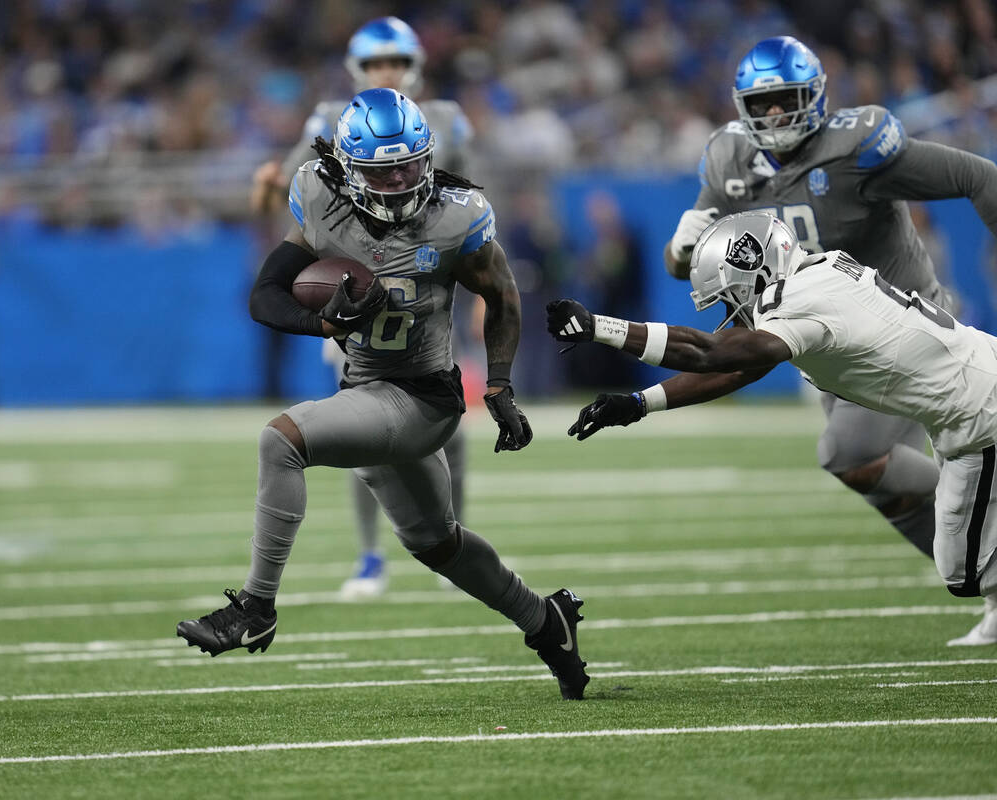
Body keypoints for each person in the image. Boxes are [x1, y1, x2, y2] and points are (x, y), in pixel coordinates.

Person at [178, 88, 590, 700]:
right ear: (349, 169)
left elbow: (502, 293)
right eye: (381, 168)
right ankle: (545, 620)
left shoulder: (457, 215)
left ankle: (255, 606)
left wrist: (500, 384)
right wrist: (324, 322)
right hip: (367, 389)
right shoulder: (320, 199)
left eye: (408, 163)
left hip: (423, 398)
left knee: (282, 439)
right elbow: (265, 295)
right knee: (438, 544)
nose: (398, 179)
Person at [660, 36, 997, 644]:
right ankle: (992, 578)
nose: (773, 116)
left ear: (812, 97)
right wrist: (683, 249)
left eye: (784, 100)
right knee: (865, 474)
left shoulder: (857, 149)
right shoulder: (730, 162)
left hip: (897, 328)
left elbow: (978, 176)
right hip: (821, 345)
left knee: (848, 455)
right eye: (760, 105)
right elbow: (681, 260)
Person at [547, 211, 997, 644]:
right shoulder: (818, 274)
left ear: (752, 272)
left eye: (728, 295)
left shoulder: (800, 298)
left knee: (964, 569)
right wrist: (639, 403)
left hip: (978, 412)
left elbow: (711, 354)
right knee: (963, 557)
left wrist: (600, 328)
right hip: (969, 399)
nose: (729, 308)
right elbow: (743, 369)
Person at [251, 16, 477, 600]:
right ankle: (370, 554)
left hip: (428, 297)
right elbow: (294, 186)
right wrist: (266, 192)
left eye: (395, 62)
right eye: (376, 64)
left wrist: (479, 295)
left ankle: (453, 541)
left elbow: (470, 215)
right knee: (362, 429)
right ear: (358, 69)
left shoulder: (446, 120)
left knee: (449, 429)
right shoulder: (332, 122)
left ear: (415, 64)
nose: (386, 72)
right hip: (356, 293)